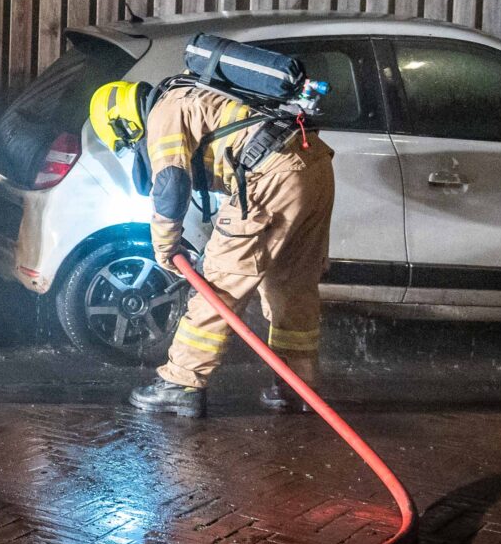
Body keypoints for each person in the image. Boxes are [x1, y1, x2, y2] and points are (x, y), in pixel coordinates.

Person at [91, 70, 335, 418]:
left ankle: (181, 383)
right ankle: (299, 385)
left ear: (124, 125)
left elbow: (171, 185)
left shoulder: (164, 113)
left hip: (271, 177)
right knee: (292, 283)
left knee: (218, 286)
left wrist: (165, 247)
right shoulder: (194, 91)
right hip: (313, 166)